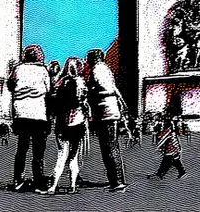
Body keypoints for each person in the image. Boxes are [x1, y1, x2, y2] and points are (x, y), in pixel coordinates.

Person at [40, 57, 90, 194]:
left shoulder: (60, 83)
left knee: (61, 155)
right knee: (73, 157)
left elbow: (53, 103)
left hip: (63, 123)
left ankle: (53, 186)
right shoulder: (82, 83)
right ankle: (72, 185)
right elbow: (85, 103)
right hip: (79, 123)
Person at [7, 44, 51, 192]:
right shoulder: (43, 70)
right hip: (38, 114)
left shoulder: (18, 69)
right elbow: (48, 90)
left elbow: (11, 86)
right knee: (38, 152)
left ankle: (18, 180)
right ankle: (39, 183)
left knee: (22, 149)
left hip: (21, 114)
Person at [85, 48, 127, 192]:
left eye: (88, 58)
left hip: (104, 111)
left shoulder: (97, 71)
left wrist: (89, 90)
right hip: (112, 109)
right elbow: (114, 89)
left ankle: (117, 181)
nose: (87, 61)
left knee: (108, 146)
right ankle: (117, 179)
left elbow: (98, 89)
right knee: (112, 145)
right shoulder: (107, 70)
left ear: (94, 58)